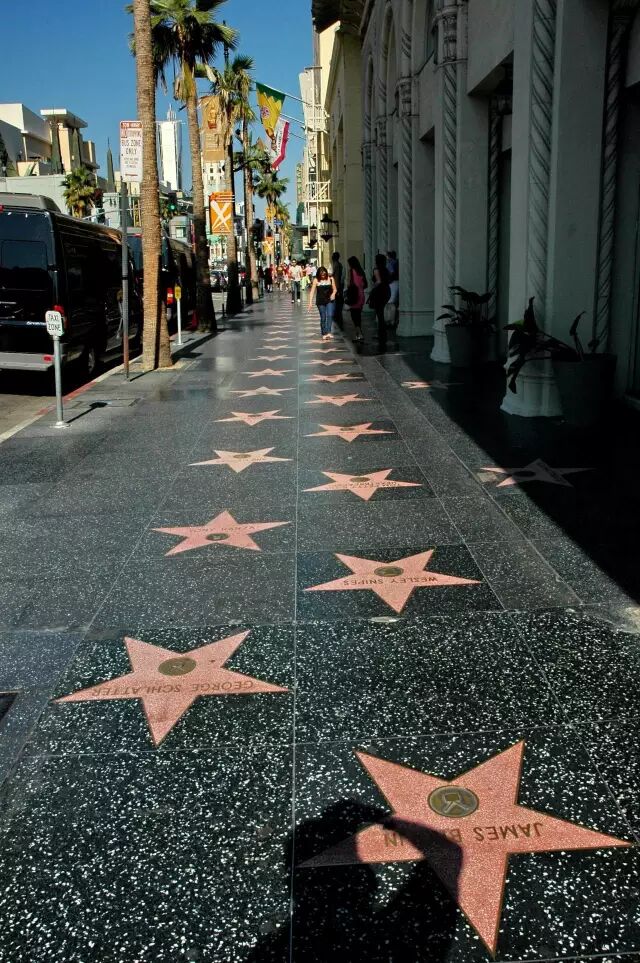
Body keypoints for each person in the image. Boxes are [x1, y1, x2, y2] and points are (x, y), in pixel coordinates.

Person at [307, 265, 337, 341]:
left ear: (326, 273)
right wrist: (310, 303)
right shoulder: (316, 280)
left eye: (324, 274)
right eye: (321, 275)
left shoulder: (331, 279)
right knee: (323, 317)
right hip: (320, 301)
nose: (323, 276)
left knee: (330, 315)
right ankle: (324, 333)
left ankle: (329, 332)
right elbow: (312, 292)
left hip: (329, 300)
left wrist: (333, 294)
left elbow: (335, 289)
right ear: (319, 274)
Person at [368, 253, 391, 347]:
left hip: (379, 292)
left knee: (379, 314)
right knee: (380, 313)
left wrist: (373, 289)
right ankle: (382, 333)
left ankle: (381, 333)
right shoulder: (386, 270)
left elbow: (378, 281)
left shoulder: (376, 269)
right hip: (386, 291)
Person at [345, 255, 367, 342]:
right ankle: (358, 334)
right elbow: (365, 284)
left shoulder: (351, 271)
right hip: (361, 294)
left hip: (354, 294)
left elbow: (350, 284)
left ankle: (359, 334)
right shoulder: (361, 271)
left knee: (354, 316)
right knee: (358, 315)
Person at [331, 251, 345, 329]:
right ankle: (337, 316)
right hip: (338, 286)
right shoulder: (338, 264)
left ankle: (337, 317)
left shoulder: (336, 265)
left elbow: (336, 277)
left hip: (337, 286)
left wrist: (336, 288)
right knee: (337, 302)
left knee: (337, 302)